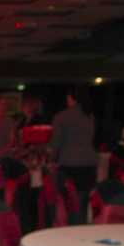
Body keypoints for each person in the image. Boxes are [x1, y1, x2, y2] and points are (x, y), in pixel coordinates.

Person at [48, 87, 98, 220]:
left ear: (71, 98)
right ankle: (80, 228)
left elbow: (56, 143)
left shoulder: (61, 117)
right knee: (83, 202)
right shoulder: (89, 116)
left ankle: (69, 230)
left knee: (68, 203)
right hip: (89, 162)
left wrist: (52, 161)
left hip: (70, 163)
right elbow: (91, 138)